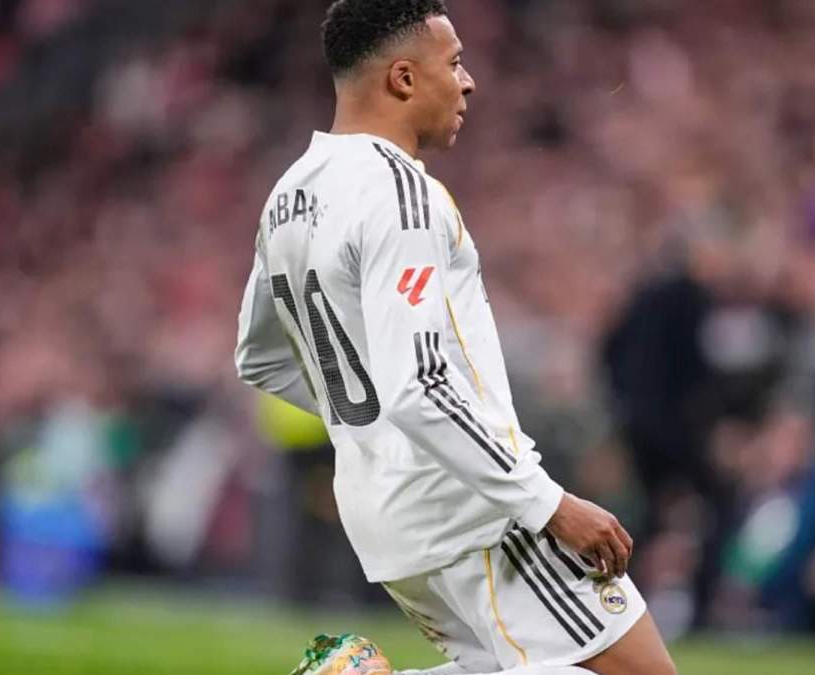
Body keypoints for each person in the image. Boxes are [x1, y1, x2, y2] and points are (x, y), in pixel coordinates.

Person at [234, 2, 677, 674]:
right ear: (405, 79)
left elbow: (259, 355)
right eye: (456, 63)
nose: (468, 82)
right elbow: (420, 386)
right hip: (474, 509)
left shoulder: (291, 194)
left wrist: (376, 427)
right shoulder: (401, 192)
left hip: (386, 518)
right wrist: (549, 503)